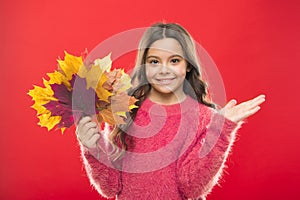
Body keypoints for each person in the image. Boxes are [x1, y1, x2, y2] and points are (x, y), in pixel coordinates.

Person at [76, 22, 266, 199]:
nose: (164, 70)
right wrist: (93, 147)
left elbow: (191, 188)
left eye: (174, 61)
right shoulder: (123, 109)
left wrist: (220, 130)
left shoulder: (203, 117)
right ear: (144, 65)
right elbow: (110, 187)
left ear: (188, 65)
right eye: (154, 61)